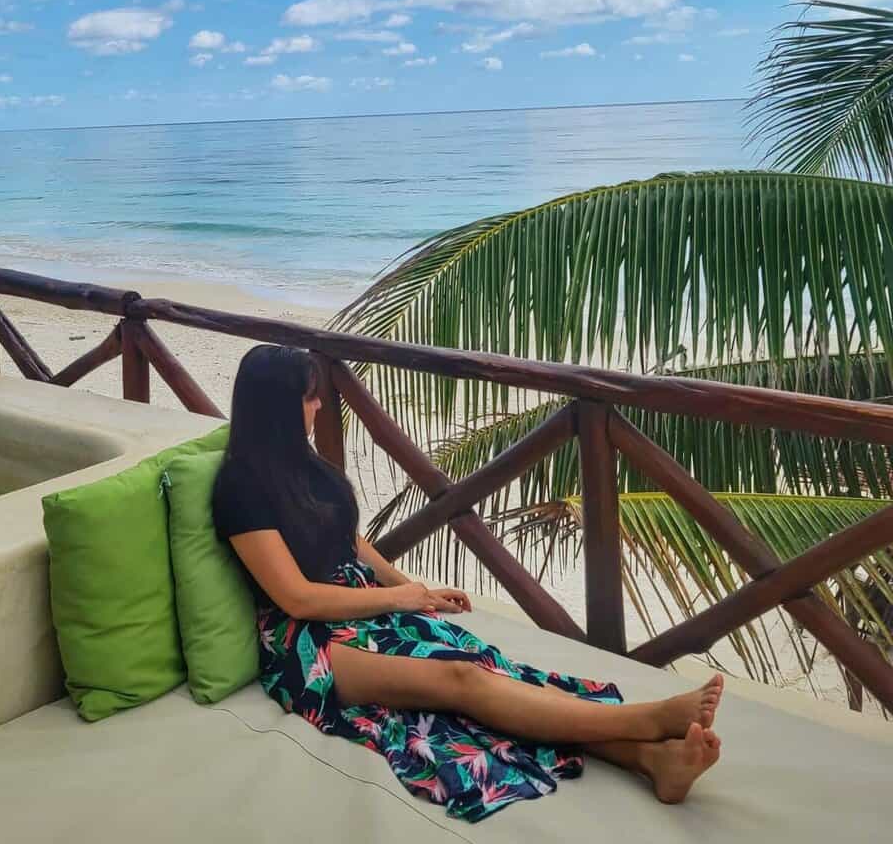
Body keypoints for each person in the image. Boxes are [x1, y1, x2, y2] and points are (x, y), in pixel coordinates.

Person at [213, 345, 723, 821]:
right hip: (303, 643)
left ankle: (651, 761)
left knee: (485, 667)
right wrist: (400, 597)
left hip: (358, 604)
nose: (320, 405)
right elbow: (295, 598)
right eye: (309, 397)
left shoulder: (305, 465)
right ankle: (647, 722)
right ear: (279, 410)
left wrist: (415, 588)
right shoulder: (241, 488)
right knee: (461, 682)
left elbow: (353, 543)